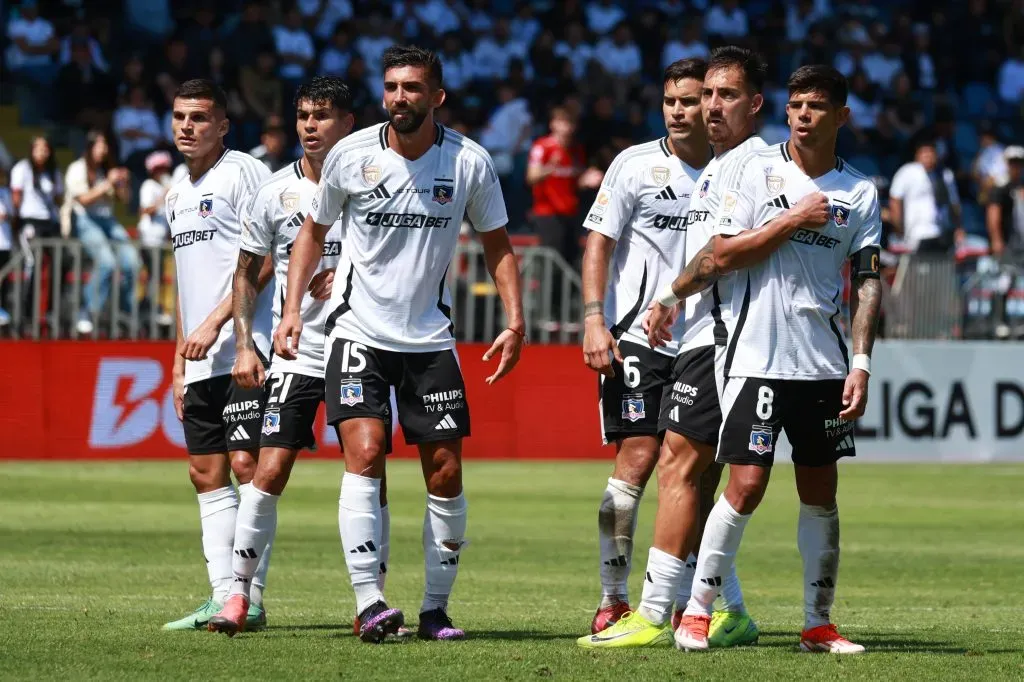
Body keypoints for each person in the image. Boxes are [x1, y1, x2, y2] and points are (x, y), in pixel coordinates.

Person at [278, 45, 525, 643]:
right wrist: (291, 311)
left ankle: (435, 609)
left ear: (437, 96)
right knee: (364, 452)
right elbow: (313, 232)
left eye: (412, 87)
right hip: (358, 330)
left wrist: (515, 320)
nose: (399, 97)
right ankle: (369, 602)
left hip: (430, 340)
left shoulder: (469, 162)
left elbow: (497, 245)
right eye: (391, 86)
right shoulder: (351, 155)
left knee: (444, 470)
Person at [666, 64, 881, 655]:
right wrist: (792, 219)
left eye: (816, 105)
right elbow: (723, 254)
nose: (803, 115)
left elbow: (867, 282)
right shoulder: (757, 171)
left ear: (841, 115)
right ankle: (697, 614)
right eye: (795, 105)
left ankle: (817, 623)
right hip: (755, 354)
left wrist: (860, 361)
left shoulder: (859, 191)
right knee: (747, 484)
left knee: (820, 492)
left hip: (823, 363)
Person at [627, 46, 781, 650]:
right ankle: (732, 611)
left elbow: (720, 254)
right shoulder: (722, 165)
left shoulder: (752, 165)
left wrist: (666, 295)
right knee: (694, 472)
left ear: (755, 104)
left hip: (725, 338)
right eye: (707, 95)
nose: (712, 107)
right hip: (707, 334)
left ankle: (652, 611)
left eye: (727, 96)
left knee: (680, 466)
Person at [206, 76, 357, 635]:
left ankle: (371, 599)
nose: (309, 127)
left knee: (369, 471)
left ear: (348, 122)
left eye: (321, 116)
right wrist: (245, 343)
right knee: (267, 471)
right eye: (302, 116)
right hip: (295, 351)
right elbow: (246, 273)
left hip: (359, 345)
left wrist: (344, 273)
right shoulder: (274, 191)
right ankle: (240, 597)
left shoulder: (372, 181)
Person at [577, 58, 713, 641]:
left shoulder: (738, 170)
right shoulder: (634, 164)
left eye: (690, 101)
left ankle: (687, 597)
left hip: (709, 339)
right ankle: (612, 598)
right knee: (635, 461)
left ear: (713, 104)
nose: (679, 111)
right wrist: (593, 319)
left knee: (697, 475)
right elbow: (599, 244)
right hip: (638, 337)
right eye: (670, 102)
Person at [162, 79, 274, 632]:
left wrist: (215, 324)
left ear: (224, 125)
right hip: (201, 357)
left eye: (200, 117)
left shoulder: (244, 173)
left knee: (247, 464)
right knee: (204, 471)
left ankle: (249, 596)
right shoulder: (174, 193)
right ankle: (221, 595)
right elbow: (184, 285)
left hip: (244, 347)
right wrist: (178, 363)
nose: (187, 126)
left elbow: (268, 258)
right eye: (180, 116)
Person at [63, 130, 139, 336]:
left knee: (133, 262)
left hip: (108, 220)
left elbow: (124, 199)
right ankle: (87, 311)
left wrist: (124, 183)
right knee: (107, 262)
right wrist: (108, 183)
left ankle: (126, 312)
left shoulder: (108, 169)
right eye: (99, 145)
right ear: (89, 147)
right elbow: (83, 200)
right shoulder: (77, 168)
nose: (103, 149)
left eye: (105, 145)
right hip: (84, 220)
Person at [888, 138, 962, 254]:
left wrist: (958, 228)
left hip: (943, 233)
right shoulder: (907, 172)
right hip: (916, 233)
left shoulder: (945, 175)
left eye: (931, 152)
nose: (927, 156)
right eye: (924, 152)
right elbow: (895, 201)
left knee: (942, 268)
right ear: (917, 155)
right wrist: (898, 227)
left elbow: (954, 204)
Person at [137, 150, 175, 328]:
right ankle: (148, 309)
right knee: (153, 276)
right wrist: (163, 197)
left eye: (164, 168)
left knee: (158, 276)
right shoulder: (148, 186)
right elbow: (146, 210)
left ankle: (155, 309)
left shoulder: (162, 188)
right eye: (159, 169)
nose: (163, 172)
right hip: (149, 240)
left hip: (160, 241)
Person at [986, 145, 1024, 258]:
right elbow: (993, 215)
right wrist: (996, 239)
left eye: (1019, 163)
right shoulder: (1000, 188)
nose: (1016, 166)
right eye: (1012, 162)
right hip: (1009, 241)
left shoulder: (1020, 185)